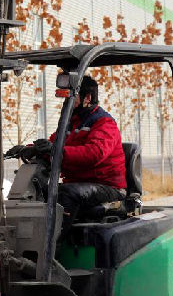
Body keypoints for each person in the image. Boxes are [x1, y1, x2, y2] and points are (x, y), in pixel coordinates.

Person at [53, 75, 126, 224]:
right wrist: (33, 149)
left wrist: (59, 152)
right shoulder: (72, 123)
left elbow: (95, 153)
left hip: (107, 187)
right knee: (40, 190)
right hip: (80, 183)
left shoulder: (104, 122)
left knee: (66, 194)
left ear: (87, 98)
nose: (67, 103)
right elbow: (54, 143)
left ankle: (53, 244)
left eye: (72, 98)